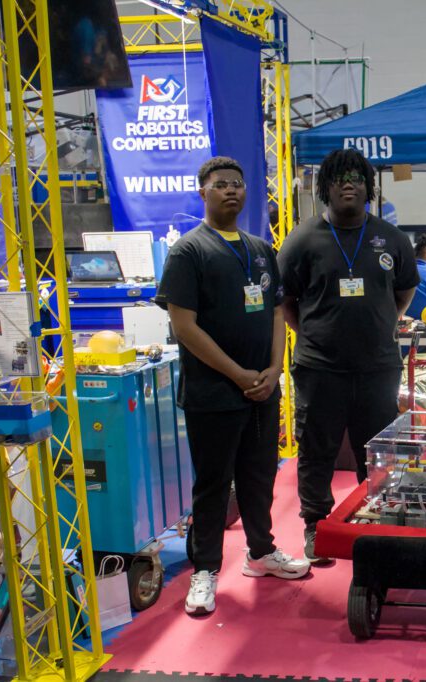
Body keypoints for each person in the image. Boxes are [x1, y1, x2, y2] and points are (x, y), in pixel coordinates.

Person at [157, 156, 309, 617]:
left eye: (238, 184)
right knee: (213, 485)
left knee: (260, 478)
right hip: (214, 394)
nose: (231, 191)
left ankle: (260, 553)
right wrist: (238, 374)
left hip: (263, 390)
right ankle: (205, 570)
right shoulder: (189, 251)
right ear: (202, 192)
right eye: (221, 184)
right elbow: (184, 326)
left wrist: (272, 369)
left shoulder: (261, 249)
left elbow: (278, 312)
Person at [277, 148, 419, 564]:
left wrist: (382, 323)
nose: (349, 183)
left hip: (377, 366)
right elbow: (286, 300)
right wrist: (311, 333)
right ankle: (316, 526)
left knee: (376, 449)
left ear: (369, 186)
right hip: (320, 368)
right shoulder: (302, 240)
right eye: (339, 178)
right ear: (325, 188)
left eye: (357, 177)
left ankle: (375, 517)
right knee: (316, 449)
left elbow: (405, 289)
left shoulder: (391, 239)